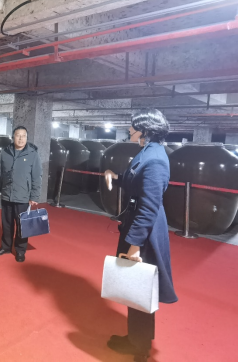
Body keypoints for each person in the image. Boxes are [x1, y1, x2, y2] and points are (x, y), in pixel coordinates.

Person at [104, 109, 178, 362]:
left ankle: (140, 348)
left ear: (146, 130)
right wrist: (116, 177)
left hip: (145, 233)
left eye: (133, 127)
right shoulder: (149, 151)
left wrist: (134, 245)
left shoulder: (155, 159)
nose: (130, 130)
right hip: (138, 227)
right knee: (134, 287)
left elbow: (149, 207)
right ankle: (136, 339)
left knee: (140, 287)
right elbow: (137, 180)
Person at [0, 126, 42, 263]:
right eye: (18, 135)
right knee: (6, 224)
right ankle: (5, 247)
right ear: (13, 137)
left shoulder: (33, 154)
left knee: (22, 225)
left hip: (23, 196)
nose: (21, 138)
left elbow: (37, 177)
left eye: (23, 136)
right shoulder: (5, 152)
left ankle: (20, 250)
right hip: (7, 194)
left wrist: (34, 196)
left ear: (27, 137)